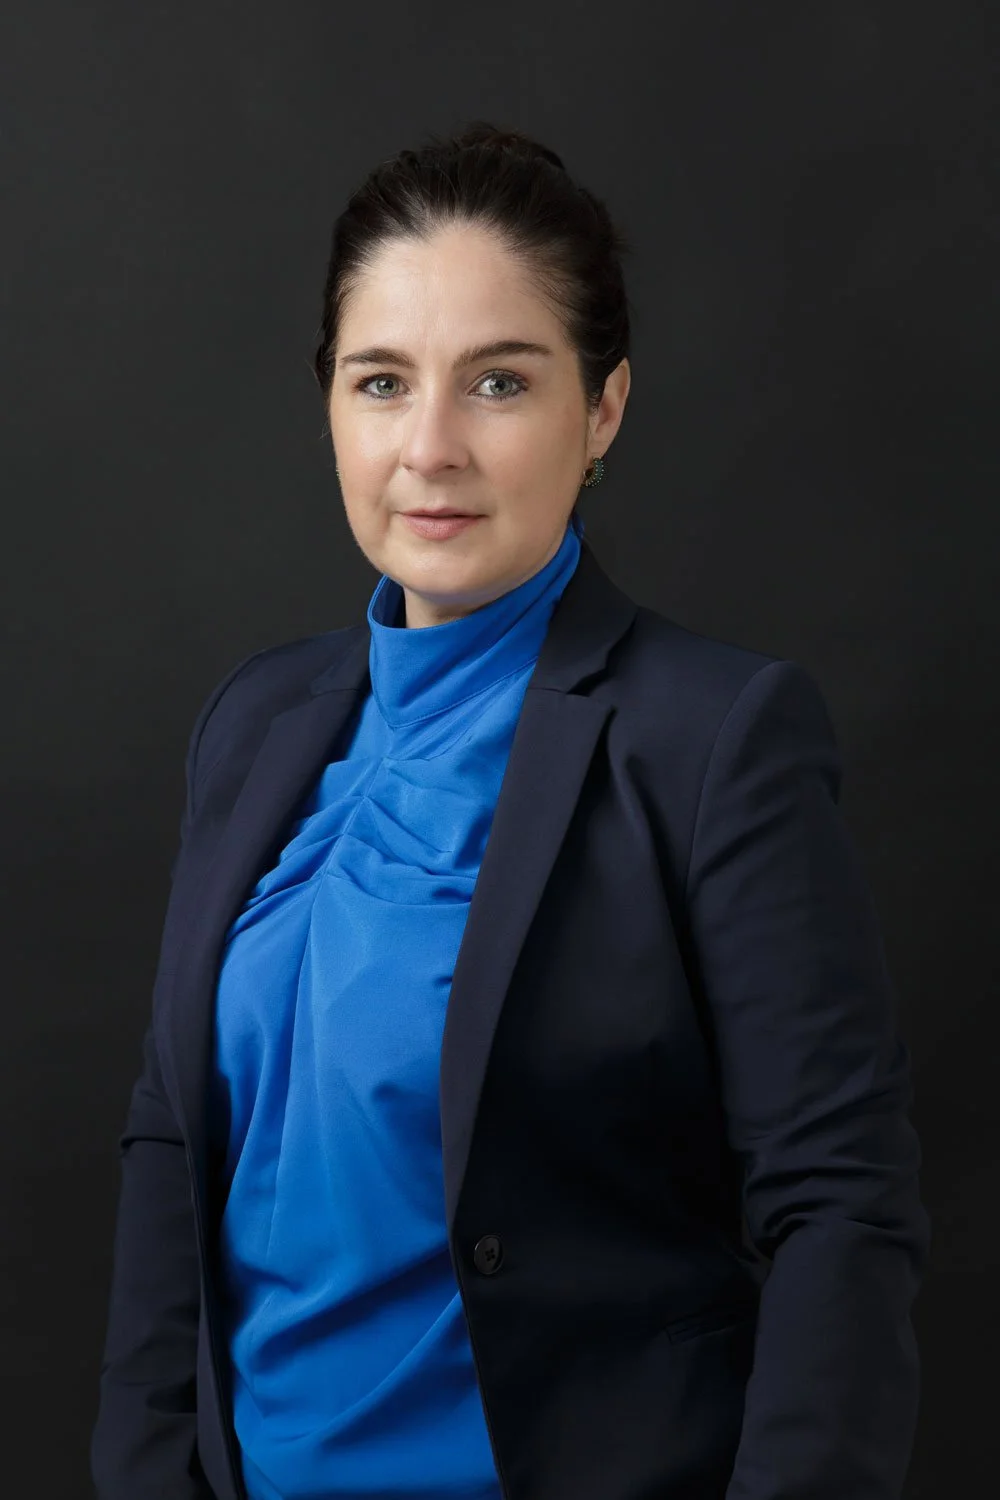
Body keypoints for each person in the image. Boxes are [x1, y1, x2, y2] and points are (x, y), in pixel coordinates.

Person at [91, 120, 930, 1500]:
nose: (430, 448)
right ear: (330, 406)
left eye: (498, 382)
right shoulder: (253, 723)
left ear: (601, 411)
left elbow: (841, 1206)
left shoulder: (714, 740)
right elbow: (172, 1139)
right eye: (381, 382)